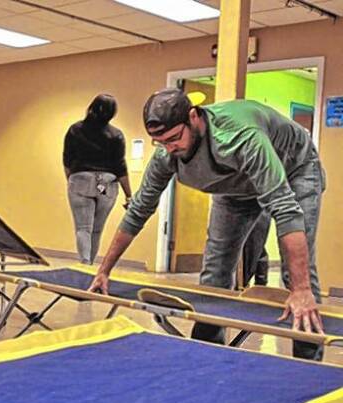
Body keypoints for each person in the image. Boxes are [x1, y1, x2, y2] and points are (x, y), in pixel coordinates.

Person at [88, 88, 325, 360]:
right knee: (214, 274)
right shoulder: (167, 155)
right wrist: (104, 270)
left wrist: (302, 290)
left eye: (174, 138)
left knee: (297, 275)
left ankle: (309, 363)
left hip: (295, 169)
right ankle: (205, 355)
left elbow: (285, 210)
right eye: (161, 142)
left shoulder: (240, 138)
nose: (169, 148)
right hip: (235, 189)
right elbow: (139, 210)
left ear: (194, 117)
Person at [63, 94, 133, 264]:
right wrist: (129, 195)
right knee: (96, 230)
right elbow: (120, 166)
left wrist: (71, 180)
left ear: (91, 107)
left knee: (83, 228)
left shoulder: (75, 130)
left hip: (80, 181)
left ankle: (85, 264)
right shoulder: (116, 135)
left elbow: (67, 159)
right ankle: (91, 265)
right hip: (106, 185)